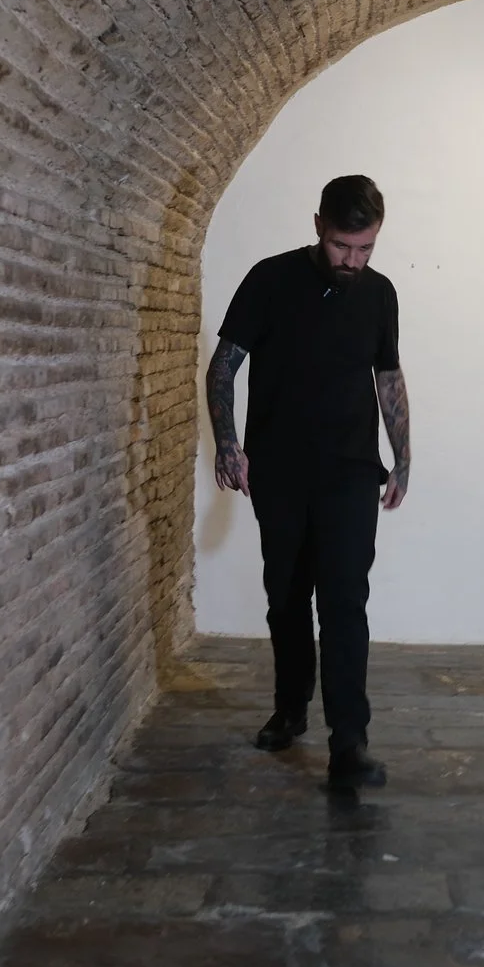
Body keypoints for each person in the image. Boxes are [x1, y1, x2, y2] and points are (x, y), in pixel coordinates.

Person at [205, 174, 411, 792]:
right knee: (288, 598)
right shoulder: (270, 279)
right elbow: (223, 367)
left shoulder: (380, 293)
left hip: (351, 472)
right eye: (342, 245)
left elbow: (388, 377)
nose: (352, 260)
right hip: (280, 472)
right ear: (319, 225)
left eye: (365, 248)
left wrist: (403, 457)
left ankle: (349, 743)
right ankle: (291, 708)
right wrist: (227, 443)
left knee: (345, 601)